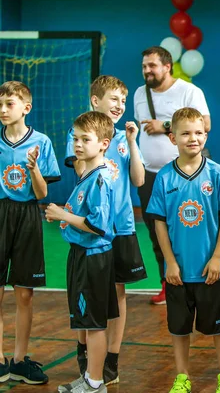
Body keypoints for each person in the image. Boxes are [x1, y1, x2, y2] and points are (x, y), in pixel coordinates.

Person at [146, 107, 220, 393]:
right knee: (179, 329)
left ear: (206, 135)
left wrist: (217, 257)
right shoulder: (163, 177)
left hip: (210, 270)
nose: (193, 138)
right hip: (178, 272)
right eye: (185, 133)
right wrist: (169, 263)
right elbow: (159, 224)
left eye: (198, 132)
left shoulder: (217, 173)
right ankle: (182, 377)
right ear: (172, 138)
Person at [64, 75, 147, 384]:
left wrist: (131, 143)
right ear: (96, 101)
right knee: (89, 293)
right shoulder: (85, 135)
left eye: (123, 101)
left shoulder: (122, 141)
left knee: (118, 292)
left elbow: (138, 181)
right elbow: (82, 169)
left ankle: (112, 358)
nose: (120, 105)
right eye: (114, 99)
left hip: (122, 227)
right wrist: (99, 143)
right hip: (93, 230)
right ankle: (85, 351)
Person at [46, 111, 118, 393]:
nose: (77, 144)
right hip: (81, 255)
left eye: (85, 139)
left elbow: (98, 226)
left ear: (103, 144)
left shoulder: (100, 179)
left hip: (93, 257)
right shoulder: (86, 174)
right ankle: (90, 376)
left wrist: (62, 213)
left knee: (95, 323)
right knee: (87, 322)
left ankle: (96, 382)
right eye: (75, 138)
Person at [133, 46, 211, 305]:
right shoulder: (139, 94)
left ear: (167, 67)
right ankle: (167, 283)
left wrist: (164, 125)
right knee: (157, 231)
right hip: (148, 176)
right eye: (144, 66)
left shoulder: (189, 91)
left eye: (152, 66)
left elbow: (206, 123)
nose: (147, 71)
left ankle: (198, 282)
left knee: (190, 227)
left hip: (183, 174)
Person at [0, 81, 60, 385]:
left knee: (24, 292)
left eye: (9, 103)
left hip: (26, 216)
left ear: (26, 107)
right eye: (0, 104)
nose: (2, 109)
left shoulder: (41, 142)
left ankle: (20, 359)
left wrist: (34, 168)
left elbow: (41, 193)